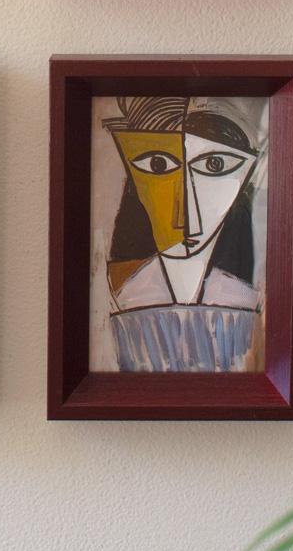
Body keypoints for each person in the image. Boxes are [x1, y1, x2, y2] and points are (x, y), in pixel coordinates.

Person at [104, 95, 265, 372]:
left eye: (215, 165)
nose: (186, 216)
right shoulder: (121, 293)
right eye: (158, 165)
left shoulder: (249, 297)